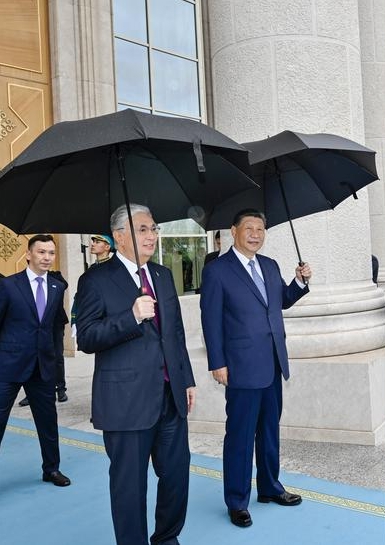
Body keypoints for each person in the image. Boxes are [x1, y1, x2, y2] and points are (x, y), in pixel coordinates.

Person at [76, 204, 196, 545]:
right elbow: (86, 337)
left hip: (170, 397)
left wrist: (186, 379)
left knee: (176, 476)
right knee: (129, 487)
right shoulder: (95, 280)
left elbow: (175, 333)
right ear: (119, 237)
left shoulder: (162, 275)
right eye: (142, 229)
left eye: (154, 229)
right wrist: (130, 317)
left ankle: (166, 539)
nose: (152, 236)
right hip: (125, 403)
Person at [200, 209, 312, 528]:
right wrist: (217, 362)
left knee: (269, 431)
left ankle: (269, 488)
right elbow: (210, 320)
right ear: (233, 231)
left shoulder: (270, 265)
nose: (255, 234)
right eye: (248, 228)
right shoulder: (218, 271)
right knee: (240, 436)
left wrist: (300, 282)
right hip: (240, 367)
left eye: (260, 229)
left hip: (273, 362)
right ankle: (237, 500)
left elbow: (281, 301)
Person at [0, 234, 71, 487]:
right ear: (28, 254)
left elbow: (52, 327)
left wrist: (53, 359)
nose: (47, 257)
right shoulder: (9, 285)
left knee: (48, 421)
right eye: (41, 252)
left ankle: (51, 469)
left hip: (43, 366)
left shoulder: (57, 286)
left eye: (51, 253)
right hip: (9, 365)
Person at [18, 269, 69, 406]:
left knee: (57, 357)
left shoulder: (55, 276)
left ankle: (60, 389)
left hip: (55, 325)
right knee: (34, 357)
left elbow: (64, 285)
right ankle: (31, 393)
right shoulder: (23, 281)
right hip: (35, 326)